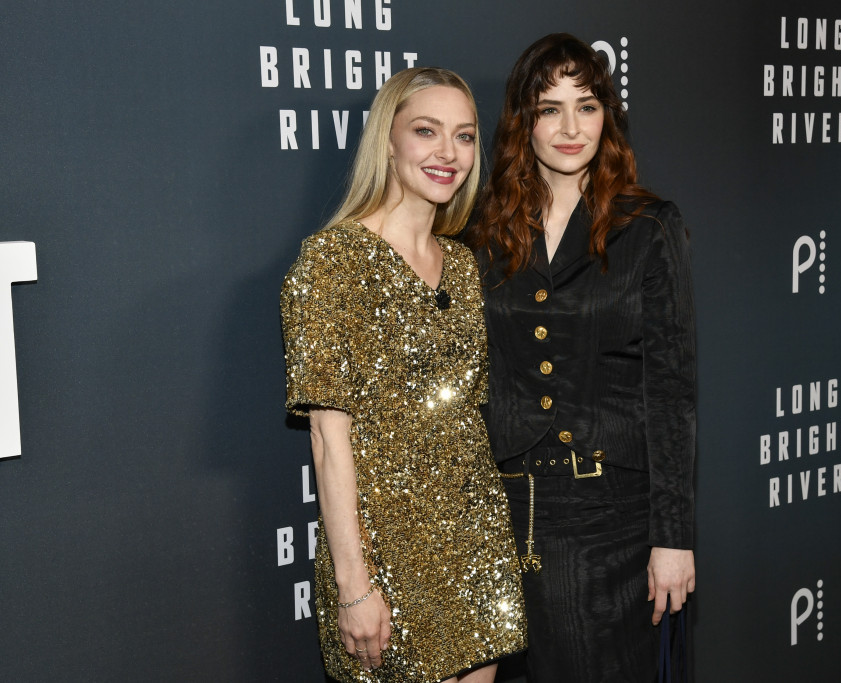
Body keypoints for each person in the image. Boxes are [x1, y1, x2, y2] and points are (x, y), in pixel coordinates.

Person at [281, 67, 526, 683]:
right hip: (385, 549)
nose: (449, 153)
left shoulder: (464, 265)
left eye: (464, 136)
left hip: (475, 538)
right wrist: (353, 584)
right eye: (426, 131)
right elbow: (327, 438)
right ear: (387, 141)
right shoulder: (331, 262)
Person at [465, 34, 696, 682]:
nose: (571, 128)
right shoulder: (482, 229)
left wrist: (673, 537)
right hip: (502, 509)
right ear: (524, 122)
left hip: (611, 513)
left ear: (607, 117)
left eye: (586, 106)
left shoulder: (647, 227)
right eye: (550, 109)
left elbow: (671, 389)